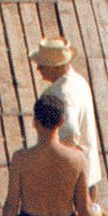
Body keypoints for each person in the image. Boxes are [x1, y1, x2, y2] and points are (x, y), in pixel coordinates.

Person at [30, 35, 101, 192]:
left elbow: (69, 131)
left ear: (56, 67)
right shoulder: (79, 82)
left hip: (70, 181)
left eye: (42, 65)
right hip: (86, 175)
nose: (38, 69)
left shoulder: (61, 93)